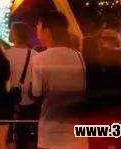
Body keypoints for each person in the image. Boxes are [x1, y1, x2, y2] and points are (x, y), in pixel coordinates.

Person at [28, 11, 87, 149]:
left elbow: (36, 93)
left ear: (47, 31)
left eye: (38, 26)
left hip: (51, 133)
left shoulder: (39, 59)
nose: (36, 29)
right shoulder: (78, 56)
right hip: (76, 132)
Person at [3, 22, 37, 149]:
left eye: (11, 31)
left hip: (11, 100)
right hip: (30, 101)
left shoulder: (6, 55)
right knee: (26, 137)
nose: (9, 33)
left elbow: (4, 79)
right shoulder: (35, 55)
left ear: (15, 34)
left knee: (10, 136)